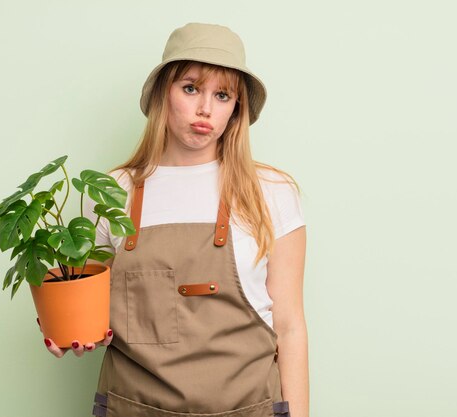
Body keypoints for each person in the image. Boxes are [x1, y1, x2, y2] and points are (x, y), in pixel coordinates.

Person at [39, 22, 308, 417]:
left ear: (237, 108)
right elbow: (84, 303)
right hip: (133, 408)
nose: (205, 109)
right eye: (190, 88)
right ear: (164, 92)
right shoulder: (113, 191)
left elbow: (289, 327)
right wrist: (67, 332)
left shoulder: (271, 190)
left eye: (222, 95)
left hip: (249, 408)